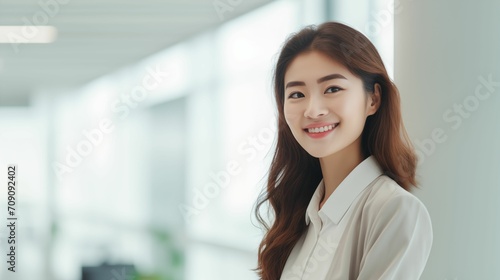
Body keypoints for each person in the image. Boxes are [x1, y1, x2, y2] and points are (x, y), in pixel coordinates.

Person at [254, 22, 433, 280]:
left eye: (333, 89)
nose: (313, 110)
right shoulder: (300, 214)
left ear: (373, 99)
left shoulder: (395, 210)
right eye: (296, 94)